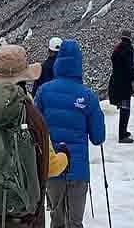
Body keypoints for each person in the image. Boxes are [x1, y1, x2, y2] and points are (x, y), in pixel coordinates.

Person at [0, 44, 70, 227]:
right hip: (22, 218)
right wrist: (65, 155)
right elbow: (50, 167)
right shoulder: (30, 113)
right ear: (24, 78)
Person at [35, 39, 106, 228]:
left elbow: (34, 128)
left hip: (52, 167)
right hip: (78, 170)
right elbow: (98, 137)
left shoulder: (43, 92)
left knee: (56, 220)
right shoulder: (88, 96)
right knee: (75, 222)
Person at [108, 30, 134, 143]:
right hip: (124, 83)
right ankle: (122, 135)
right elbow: (129, 67)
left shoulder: (117, 48)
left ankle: (124, 132)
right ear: (130, 38)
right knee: (125, 109)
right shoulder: (128, 48)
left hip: (116, 82)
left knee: (123, 108)